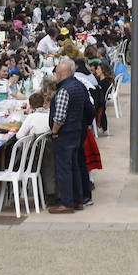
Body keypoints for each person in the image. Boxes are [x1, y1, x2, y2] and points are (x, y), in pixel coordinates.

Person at [49, 58, 89, 213]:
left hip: (65, 133)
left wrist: (54, 132)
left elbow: (59, 117)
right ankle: (78, 200)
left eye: (57, 73)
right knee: (75, 167)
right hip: (77, 130)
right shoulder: (79, 85)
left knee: (64, 169)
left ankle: (66, 203)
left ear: (61, 73)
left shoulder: (64, 90)